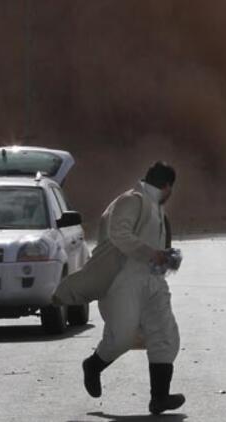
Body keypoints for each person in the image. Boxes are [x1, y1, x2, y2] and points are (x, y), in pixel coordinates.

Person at [81, 161, 184, 415]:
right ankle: (93, 366)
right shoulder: (129, 202)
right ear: (167, 186)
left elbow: (160, 248)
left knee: (164, 336)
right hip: (121, 282)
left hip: (152, 282)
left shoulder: (157, 211)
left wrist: (167, 259)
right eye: (170, 189)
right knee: (123, 337)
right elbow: (120, 236)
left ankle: (159, 398)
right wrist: (151, 253)